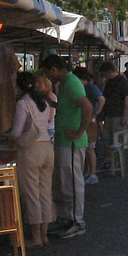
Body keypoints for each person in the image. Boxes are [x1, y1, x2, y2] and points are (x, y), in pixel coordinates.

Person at [40, 55, 93, 239]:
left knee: (72, 182)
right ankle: (68, 218)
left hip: (72, 142)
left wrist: (79, 131)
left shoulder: (70, 82)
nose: (48, 77)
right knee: (64, 182)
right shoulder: (65, 83)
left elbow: (87, 107)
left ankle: (77, 221)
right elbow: (68, 107)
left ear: (54, 69)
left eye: (48, 73)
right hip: (65, 140)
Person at [11, 71, 55, 247]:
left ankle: (36, 237)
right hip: (47, 147)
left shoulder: (23, 104)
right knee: (45, 191)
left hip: (31, 150)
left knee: (31, 193)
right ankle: (44, 235)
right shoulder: (45, 101)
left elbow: (16, 132)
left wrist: (10, 138)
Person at [72, 67, 106, 185]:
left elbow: (101, 99)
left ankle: (93, 173)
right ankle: (88, 172)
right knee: (87, 148)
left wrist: (96, 113)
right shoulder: (88, 86)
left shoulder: (90, 87)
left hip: (90, 121)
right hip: (87, 120)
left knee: (90, 148)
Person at [99, 61, 128, 175]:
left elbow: (127, 99)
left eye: (104, 74)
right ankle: (109, 159)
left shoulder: (123, 81)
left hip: (118, 114)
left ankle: (117, 160)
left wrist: (125, 116)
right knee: (106, 137)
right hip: (109, 114)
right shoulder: (108, 82)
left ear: (109, 72)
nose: (104, 76)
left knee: (117, 138)